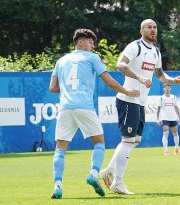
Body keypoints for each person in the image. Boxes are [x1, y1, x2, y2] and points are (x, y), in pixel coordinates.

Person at [48, 28, 140, 199]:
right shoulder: (92, 58)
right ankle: (93, 174)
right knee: (99, 143)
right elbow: (109, 81)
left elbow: (52, 88)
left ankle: (58, 186)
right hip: (84, 106)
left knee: (60, 149)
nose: (92, 46)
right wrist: (126, 91)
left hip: (65, 108)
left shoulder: (61, 60)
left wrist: (69, 89)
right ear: (80, 42)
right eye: (90, 42)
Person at [99, 19, 180, 195]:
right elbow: (120, 65)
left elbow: (159, 75)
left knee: (135, 141)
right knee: (128, 140)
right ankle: (117, 183)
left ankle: (108, 171)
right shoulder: (135, 46)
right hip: (128, 98)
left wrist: (172, 80)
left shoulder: (156, 51)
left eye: (155, 27)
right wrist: (139, 78)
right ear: (141, 30)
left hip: (140, 102)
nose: (152, 30)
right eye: (149, 27)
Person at [156, 84, 180, 155]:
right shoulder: (161, 98)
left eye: (168, 88)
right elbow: (158, 109)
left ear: (170, 89)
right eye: (166, 88)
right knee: (165, 134)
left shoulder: (174, 97)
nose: (167, 89)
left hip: (173, 118)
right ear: (164, 89)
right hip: (165, 118)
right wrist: (157, 119)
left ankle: (176, 148)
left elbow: (176, 107)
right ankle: (166, 150)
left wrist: (179, 117)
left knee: (175, 134)